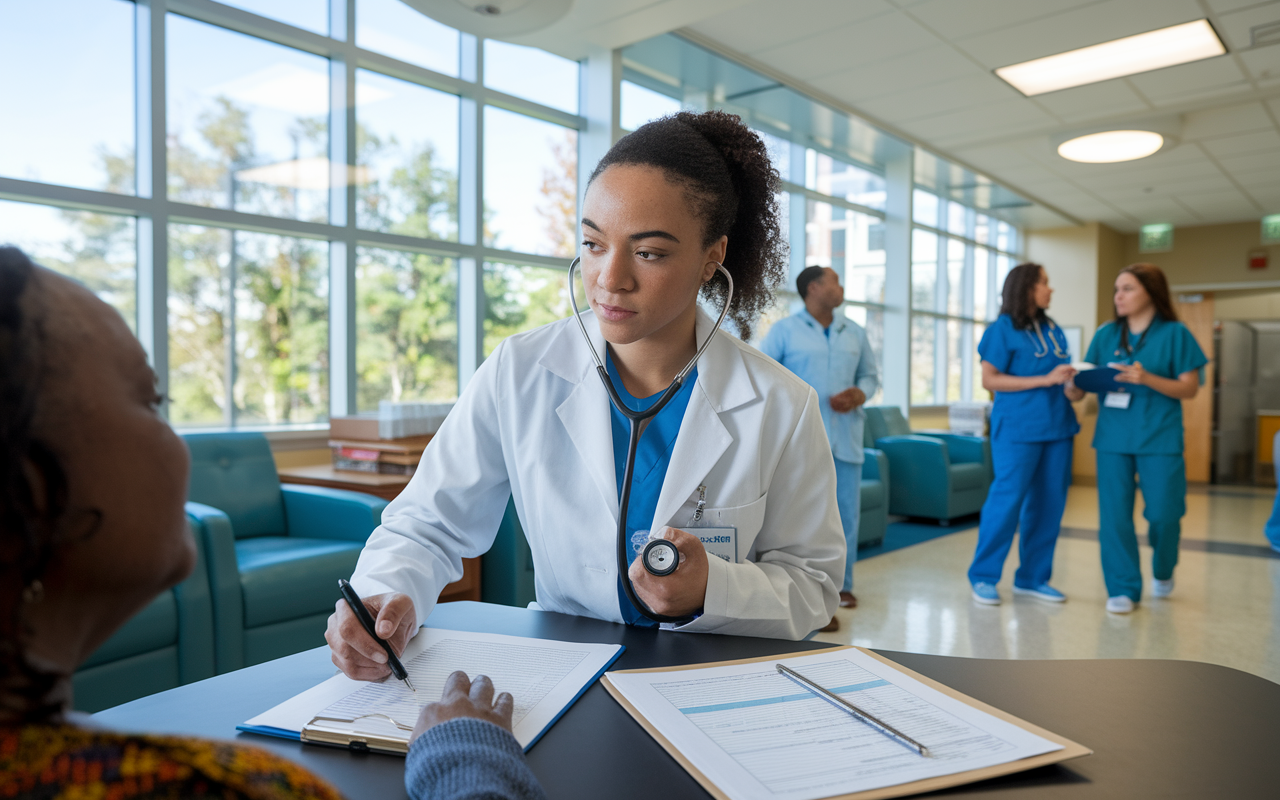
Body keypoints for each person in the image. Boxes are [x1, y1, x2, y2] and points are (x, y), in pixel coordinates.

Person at [0, 247, 547, 800]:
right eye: (151, 400)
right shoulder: (219, 787)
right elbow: (427, 522)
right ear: (31, 488)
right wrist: (468, 760)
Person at [328, 110, 844, 680]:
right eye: (594, 243)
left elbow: (813, 588)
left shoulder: (781, 404)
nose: (609, 277)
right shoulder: (520, 371)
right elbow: (429, 522)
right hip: (564, 670)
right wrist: (384, 594)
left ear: (711, 257)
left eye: (648, 253)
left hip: (712, 676)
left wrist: (713, 588)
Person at [1075, 263, 1206, 615]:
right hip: (1113, 439)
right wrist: (1072, 384)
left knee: (1165, 513)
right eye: (1117, 289)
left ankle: (1163, 569)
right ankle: (1122, 588)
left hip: (1159, 438)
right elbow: (1081, 386)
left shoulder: (1175, 333)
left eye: (1127, 288)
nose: (1118, 295)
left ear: (1151, 291)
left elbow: (1190, 387)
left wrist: (1146, 378)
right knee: (1114, 517)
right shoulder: (1105, 335)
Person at [759, 265, 879, 629]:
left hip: (844, 438)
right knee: (797, 519)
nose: (840, 287)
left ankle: (843, 587)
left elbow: (870, 377)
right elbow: (764, 378)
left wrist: (861, 393)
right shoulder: (784, 332)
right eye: (834, 281)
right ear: (813, 288)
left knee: (846, 516)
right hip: (797, 443)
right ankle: (802, 592)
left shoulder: (854, 332)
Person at [965, 263, 1079, 606]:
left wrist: (1074, 386)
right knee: (1007, 501)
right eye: (1044, 283)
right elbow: (991, 380)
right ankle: (984, 576)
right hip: (1017, 429)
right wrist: (1045, 380)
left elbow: (1061, 378)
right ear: (1027, 288)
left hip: (1058, 427)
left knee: (1049, 505)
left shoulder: (1052, 328)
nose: (1050, 289)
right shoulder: (1000, 329)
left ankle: (1032, 577)